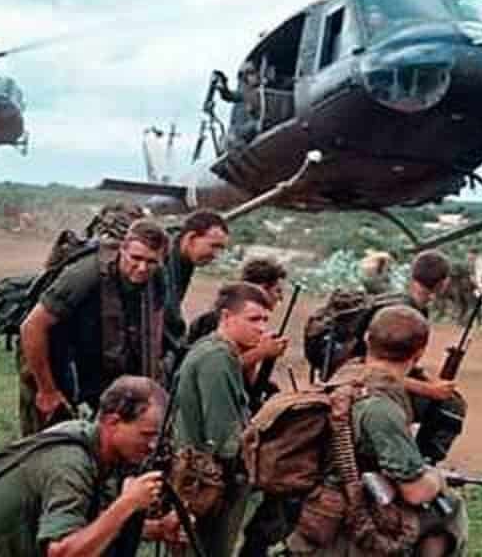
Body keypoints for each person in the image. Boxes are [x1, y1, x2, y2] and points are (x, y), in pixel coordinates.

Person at [0, 377, 183, 557]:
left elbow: (90, 524)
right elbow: (62, 553)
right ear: (113, 422)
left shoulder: (100, 449)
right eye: (146, 434)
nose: (152, 445)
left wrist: (156, 528)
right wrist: (126, 504)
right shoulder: (70, 463)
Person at [286, 306, 465, 557]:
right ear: (420, 352)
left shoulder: (345, 375)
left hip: (315, 509)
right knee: (450, 511)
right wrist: (436, 478)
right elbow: (415, 492)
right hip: (347, 525)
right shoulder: (381, 409)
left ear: (367, 339)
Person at [18, 220, 171, 436]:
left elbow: (153, 332)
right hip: (50, 354)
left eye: (152, 261)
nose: (142, 268)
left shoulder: (157, 278)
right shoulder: (85, 275)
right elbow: (32, 327)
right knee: (51, 435)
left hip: (99, 353)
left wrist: (150, 382)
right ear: (123, 249)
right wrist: (47, 390)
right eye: (136, 258)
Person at [173, 283, 276, 557]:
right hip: (206, 478)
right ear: (227, 317)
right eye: (254, 319)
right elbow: (224, 437)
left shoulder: (218, 351)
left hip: (203, 473)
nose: (262, 328)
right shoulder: (216, 358)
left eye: (265, 320)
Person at [342, 250, 465, 464]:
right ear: (443, 283)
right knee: (451, 406)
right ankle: (419, 463)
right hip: (360, 385)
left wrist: (428, 382)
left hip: (361, 378)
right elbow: (374, 371)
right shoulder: (400, 312)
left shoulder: (402, 305)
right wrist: (428, 390)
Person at [162, 210, 230, 364]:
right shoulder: (165, 257)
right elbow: (168, 313)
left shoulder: (185, 260)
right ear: (190, 238)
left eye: (220, 249)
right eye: (214, 246)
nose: (216, 255)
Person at [217, 61, 263, 148]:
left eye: (254, 73)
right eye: (250, 74)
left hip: (252, 126)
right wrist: (222, 85)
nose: (255, 76)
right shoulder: (243, 92)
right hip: (240, 129)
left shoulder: (261, 91)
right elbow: (228, 95)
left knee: (255, 124)